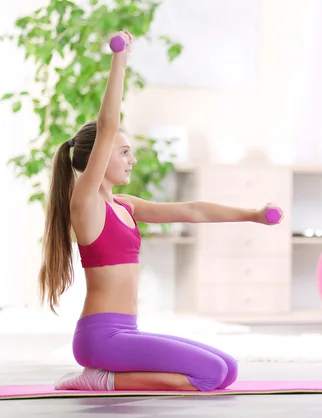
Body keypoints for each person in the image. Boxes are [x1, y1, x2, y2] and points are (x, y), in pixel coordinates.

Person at [42, 31, 283, 392]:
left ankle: (107, 375)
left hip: (126, 332)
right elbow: (108, 126)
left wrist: (252, 214)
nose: (132, 160)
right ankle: (101, 379)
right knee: (209, 375)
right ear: (99, 157)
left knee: (227, 369)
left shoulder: (125, 205)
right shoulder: (85, 203)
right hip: (101, 337)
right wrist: (119, 59)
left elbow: (192, 211)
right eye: (123, 152)